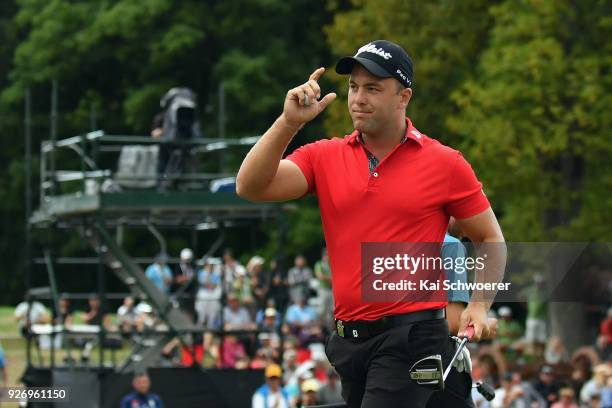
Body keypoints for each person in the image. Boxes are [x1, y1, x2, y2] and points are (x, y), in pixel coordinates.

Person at [236, 39, 505, 407]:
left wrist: (480, 304)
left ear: (403, 97)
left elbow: (490, 238)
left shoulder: (445, 162)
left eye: (373, 88)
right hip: (349, 343)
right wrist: (288, 123)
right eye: (353, 87)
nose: (358, 98)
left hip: (411, 337)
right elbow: (249, 186)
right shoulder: (324, 156)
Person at [314, 248, 334, 331]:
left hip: (331, 289)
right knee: (322, 309)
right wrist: (332, 279)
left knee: (331, 311)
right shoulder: (319, 264)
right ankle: (319, 327)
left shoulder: (331, 264)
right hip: (323, 289)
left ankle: (330, 329)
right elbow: (320, 276)